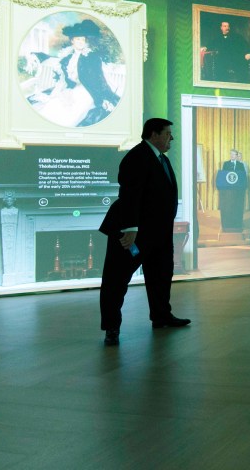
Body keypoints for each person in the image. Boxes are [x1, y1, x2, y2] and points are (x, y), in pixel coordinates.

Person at [98, 117, 190, 346]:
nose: (172, 138)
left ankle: (161, 316)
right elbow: (130, 195)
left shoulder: (162, 159)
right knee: (117, 279)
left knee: (161, 275)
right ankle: (112, 327)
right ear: (154, 134)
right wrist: (130, 229)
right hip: (132, 234)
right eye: (168, 133)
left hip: (158, 233)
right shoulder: (136, 157)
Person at [219, 149, 248, 232]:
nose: (232, 155)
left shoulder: (240, 165)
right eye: (231, 154)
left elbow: (242, 176)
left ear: (236, 155)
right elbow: (223, 176)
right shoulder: (226, 164)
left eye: (233, 154)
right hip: (227, 192)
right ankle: (227, 224)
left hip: (238, 192)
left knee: (237, 206)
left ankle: (238, 223)